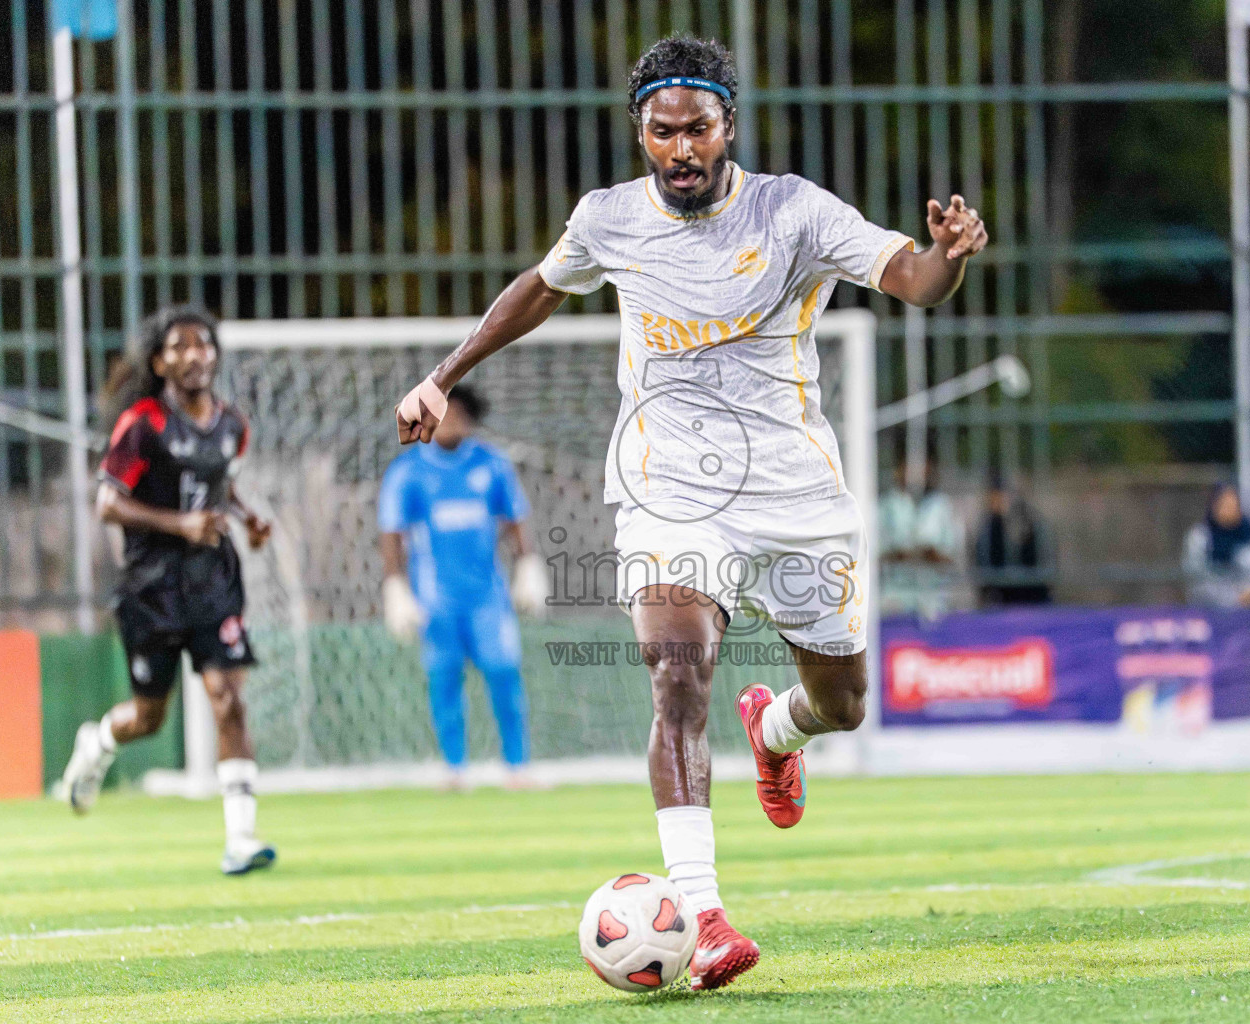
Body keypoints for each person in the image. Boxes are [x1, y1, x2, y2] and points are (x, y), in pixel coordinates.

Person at [392, 36, 987, 989]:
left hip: (795, 494)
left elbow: (911, 278)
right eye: (662, 133)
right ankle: (703, 917)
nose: (680, 150)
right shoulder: (609, 219)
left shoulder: (794, 210)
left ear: (727, 128)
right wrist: (440, 377)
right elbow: (540, 288)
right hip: (667, 490)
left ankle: (776, 733)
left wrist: (948, 258)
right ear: (641, 134)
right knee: (677, 680)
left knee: (844, 703)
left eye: (697, 130)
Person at [58, 306, 278, 876]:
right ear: (159, 362)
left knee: (229, 700)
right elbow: (107, 502)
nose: (194, 355)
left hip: (212, 581)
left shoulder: (233, 424)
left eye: (203, 344)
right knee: (150, 718)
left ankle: (242, 839)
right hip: (151, 589)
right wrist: (180, 524)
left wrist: (247, 516)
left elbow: (218, 484)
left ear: (215, 356)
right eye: (179, 347)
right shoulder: (142, 424)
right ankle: (98, 744)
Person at [377, 384, 547, 789]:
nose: (451, 421)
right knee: (444, 678)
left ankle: (517, 766)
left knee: (505, 672)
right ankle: (454, 768)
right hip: (435, 597)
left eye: (459, 414)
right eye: (444, 414)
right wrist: (396, 588)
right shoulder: (408, 472)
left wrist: (528, 565)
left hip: (488, 595)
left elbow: (515, 518)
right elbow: (391, 533)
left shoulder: (492, 464)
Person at [1182, 482, 1250, 608]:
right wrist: (1235, 599)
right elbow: (1196, 581)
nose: (1230, 509)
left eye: (1234, 505)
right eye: (1224, 505)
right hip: (1215, 613)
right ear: (1213, 506)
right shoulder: (1200, 537)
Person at [974, 478, 1051, 605]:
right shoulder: (989, 527)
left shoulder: (1024, 518)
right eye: (992, 498)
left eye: (998, 497)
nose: (995, 502)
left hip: (1032, 594)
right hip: (1004, 597)